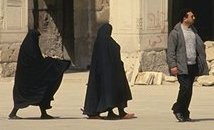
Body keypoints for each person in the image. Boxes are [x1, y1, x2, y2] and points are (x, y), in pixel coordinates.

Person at [8, 29, 71, 119]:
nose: (38, 39)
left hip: (31, 77)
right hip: (26, 79)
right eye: (37, 37)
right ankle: (13, 113)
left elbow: (37, 60)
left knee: (43, 90)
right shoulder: (29, 48)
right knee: (24, 96)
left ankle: (43, 113)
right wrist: (51, 61)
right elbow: (36, 62)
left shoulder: (30, 46)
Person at [82, 23, 135, 120]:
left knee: (106, 93)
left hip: (102, 75)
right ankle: (120, 112)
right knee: (117, 91)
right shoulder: (109, 43)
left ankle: (109, 112)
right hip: (113, 74)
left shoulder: (98, 43)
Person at [166, 9, 208, 122]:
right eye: (191, 16)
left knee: (189, 90)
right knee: (185, 88)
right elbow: (170, 51)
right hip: (181, 65)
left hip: (192, 64)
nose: (194, 18)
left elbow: (199, 47)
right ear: (185, 18)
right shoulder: (175, 33)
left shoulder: (193, 31)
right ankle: (177, 109)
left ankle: (185, 113)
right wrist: (172, 65)